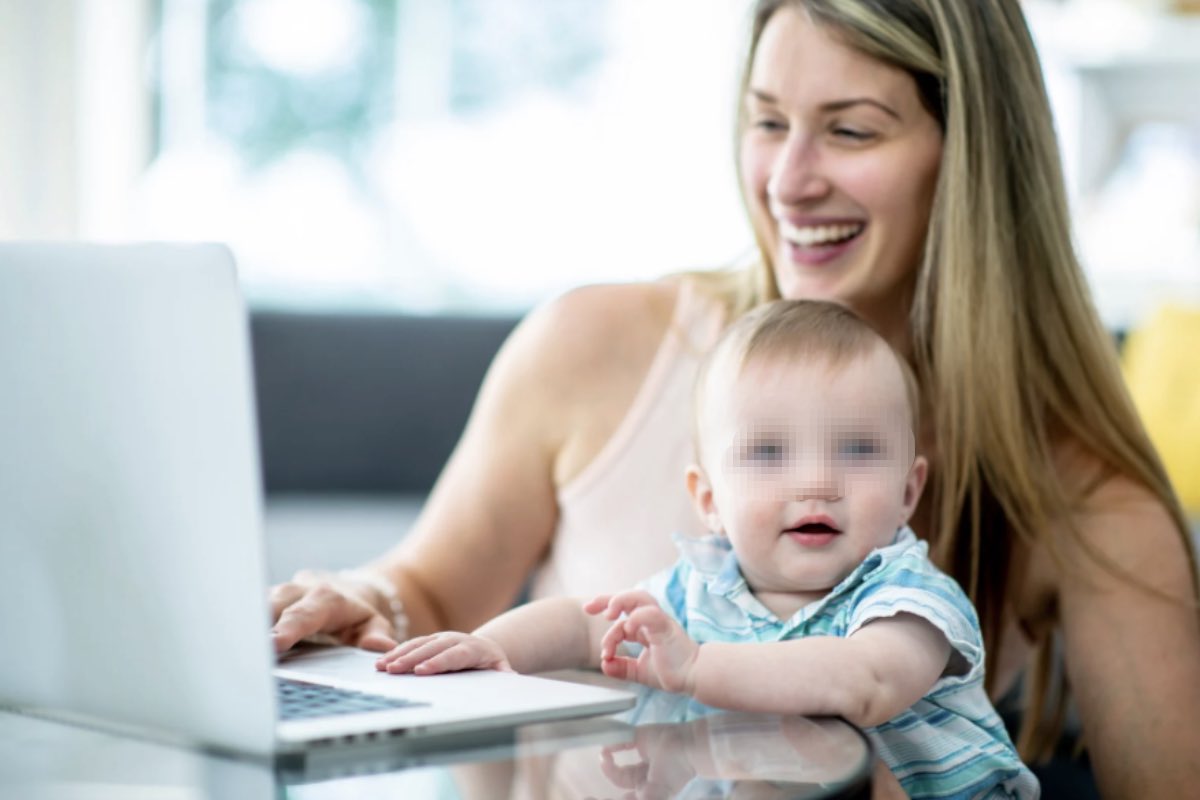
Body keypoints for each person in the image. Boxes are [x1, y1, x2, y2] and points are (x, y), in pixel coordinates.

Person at [268, 1, 1200, 795]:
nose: (788, 181)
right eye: (767, 121)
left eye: (851, 128)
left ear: (970, 161)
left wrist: (697, 666)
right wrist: (370, 599)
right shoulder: (592, 347)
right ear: (706, 493)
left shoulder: (1079, 496)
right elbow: (436, 594)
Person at [374, 299, 1040, 799]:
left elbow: (863, 681)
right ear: (710, 500)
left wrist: (696, 668)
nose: (815, 483)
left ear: (907, 490)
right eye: (769, 452)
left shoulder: (908, 601)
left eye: (858, 449)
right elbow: (585, 621)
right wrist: (498, 650)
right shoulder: (699, 592)